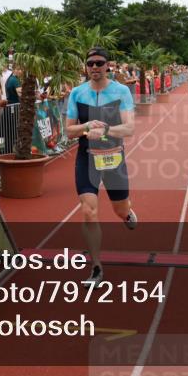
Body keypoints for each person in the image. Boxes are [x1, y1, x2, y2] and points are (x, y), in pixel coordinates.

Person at [64, 47, 136, 287]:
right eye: (90, 63)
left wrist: (105, 130)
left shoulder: (121, 91)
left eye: (99, 63)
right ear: (86, 67)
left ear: (108, 65)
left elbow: (129, 129)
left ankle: (127, 213)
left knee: (119, 210)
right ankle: (96, 267)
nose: (94, 67)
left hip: (113, 157)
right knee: (88, 211)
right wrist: (86, 127)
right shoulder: (77, 93)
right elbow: (69, 130)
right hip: (87, 157)